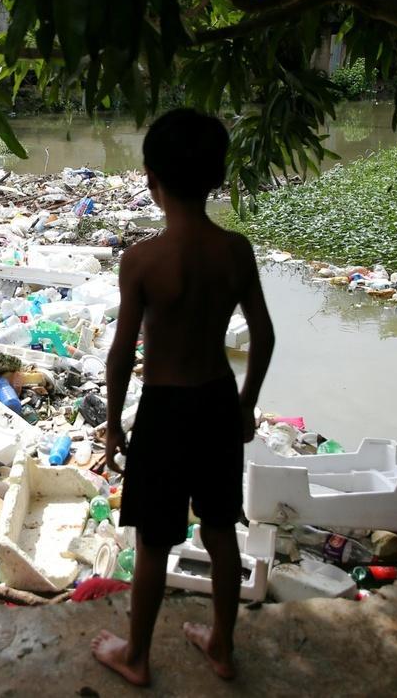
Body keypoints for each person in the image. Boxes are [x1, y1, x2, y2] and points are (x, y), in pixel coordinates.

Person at [91, 108, 276, 686]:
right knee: (220, 530)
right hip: (218, 399)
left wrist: (113, 424)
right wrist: (246, 405)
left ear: (152, 177)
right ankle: (221, 645)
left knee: (152, 542)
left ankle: (136, 655)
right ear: (217, 177)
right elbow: (264, 335)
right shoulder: (235, 251)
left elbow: (121, 352)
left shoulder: (142, 259)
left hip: (165, 410)